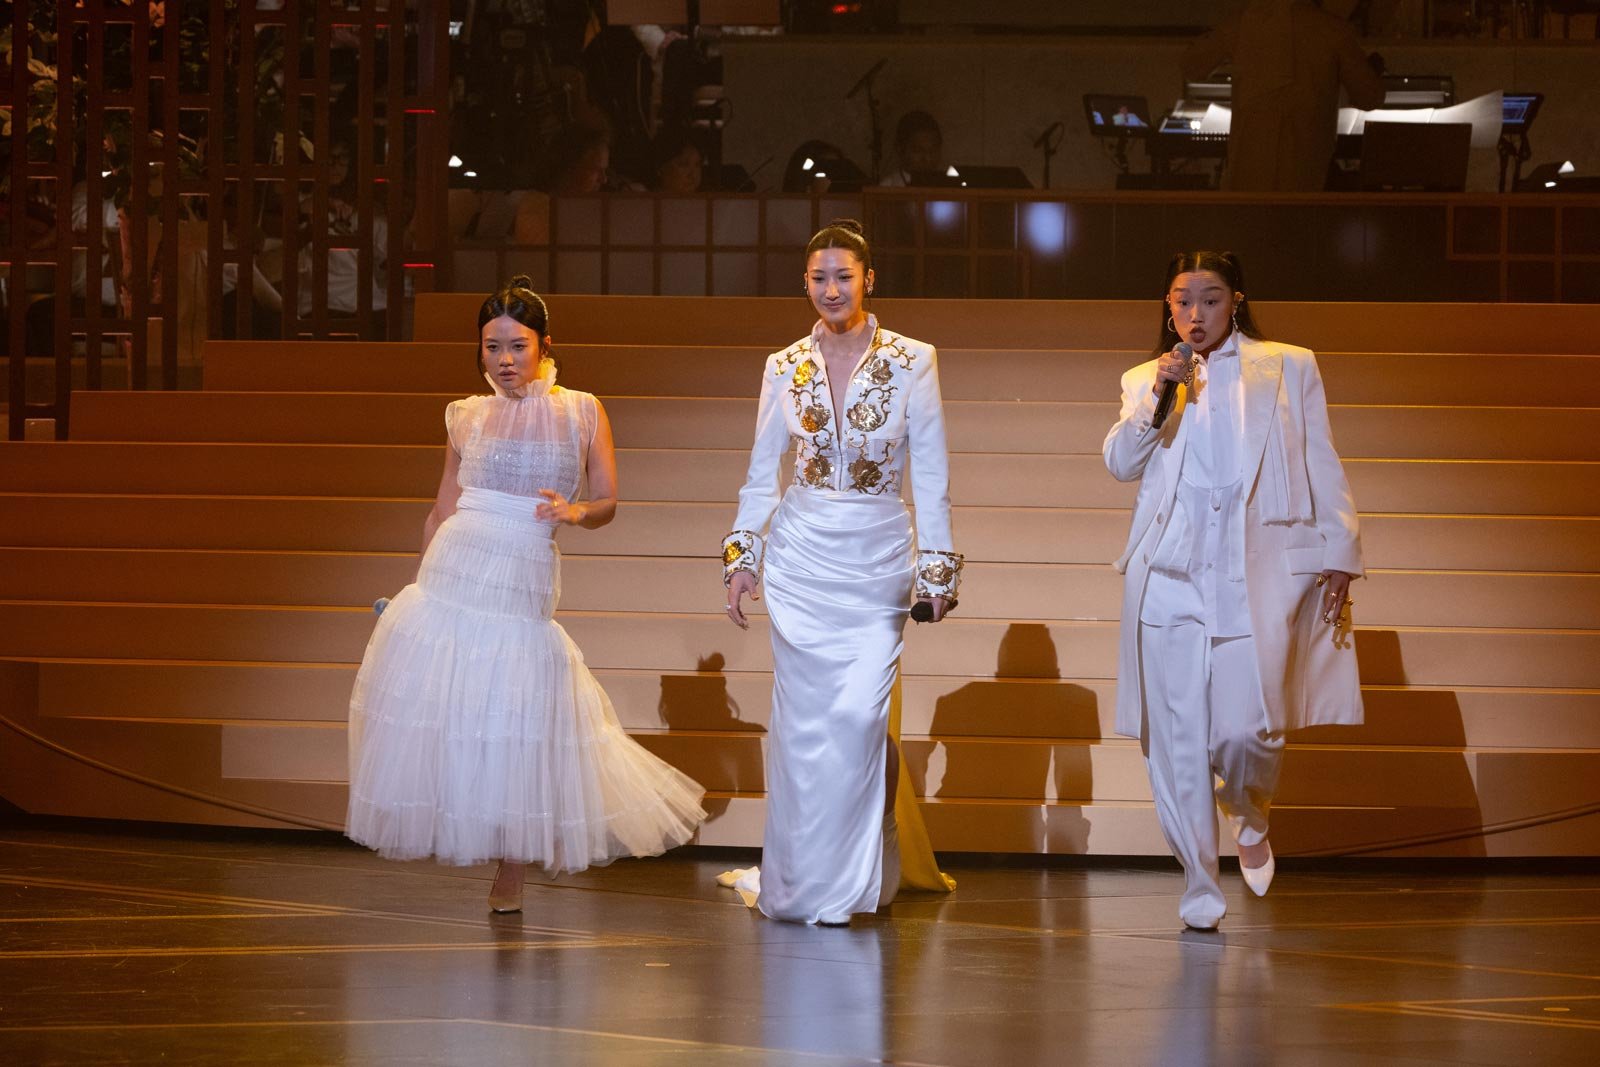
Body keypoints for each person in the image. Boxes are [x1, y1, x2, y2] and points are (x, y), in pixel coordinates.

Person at [346, 276, 707, 913]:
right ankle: (484, 842)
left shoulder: (582, 410)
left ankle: (512, 865)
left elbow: (607, 500)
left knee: (517, 718)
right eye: (492, 347)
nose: (505, 360)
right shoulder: (465, 414)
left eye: (517, 346)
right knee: (455, 714)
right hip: (455, 569)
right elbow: (443, 506)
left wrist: (576, 512)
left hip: (523, 568)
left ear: (544, 345)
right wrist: (418, 586)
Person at [1104, 250, 1363, 931]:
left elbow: (1322, 459)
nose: (1196, 313)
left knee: (1249, 730)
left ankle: (1248, 813)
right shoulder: (1145, 379)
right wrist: (1161, 395)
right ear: (1168, 306)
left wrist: (1341, 551)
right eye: (1183, 300)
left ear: (1236, 301)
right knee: (1177, 741)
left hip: (1255, 571)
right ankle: (1199, 885)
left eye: (1211, 299)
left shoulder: (1290, 366)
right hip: (1170, 574)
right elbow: (1121, 464)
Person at [719, 219, 960, 925]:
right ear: (805, 283)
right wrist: (743, 557)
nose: (831, 289)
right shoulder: (783, 364)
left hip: (876, 556)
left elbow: (933, 473)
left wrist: (937, 572)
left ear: (868, 280)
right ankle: (805, 880)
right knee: (802, 730)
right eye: (819, 278)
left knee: (858, 718)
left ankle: (863, 866)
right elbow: (762, 471)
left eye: (844, 277)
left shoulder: (914, 359)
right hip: (801, 556)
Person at [1182, 0, 1386, 191]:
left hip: (1248, 172)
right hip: (1308, 173)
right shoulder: (1333, 30)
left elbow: (1191, 66)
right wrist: (1372, 71)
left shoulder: (1243, 23)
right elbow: (1370, 97)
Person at [877, 110, 944, 187]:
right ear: (900, 150)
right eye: (918, 151)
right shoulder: (887, 187)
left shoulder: (947, 187)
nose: (928, 159)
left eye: (932, 151)